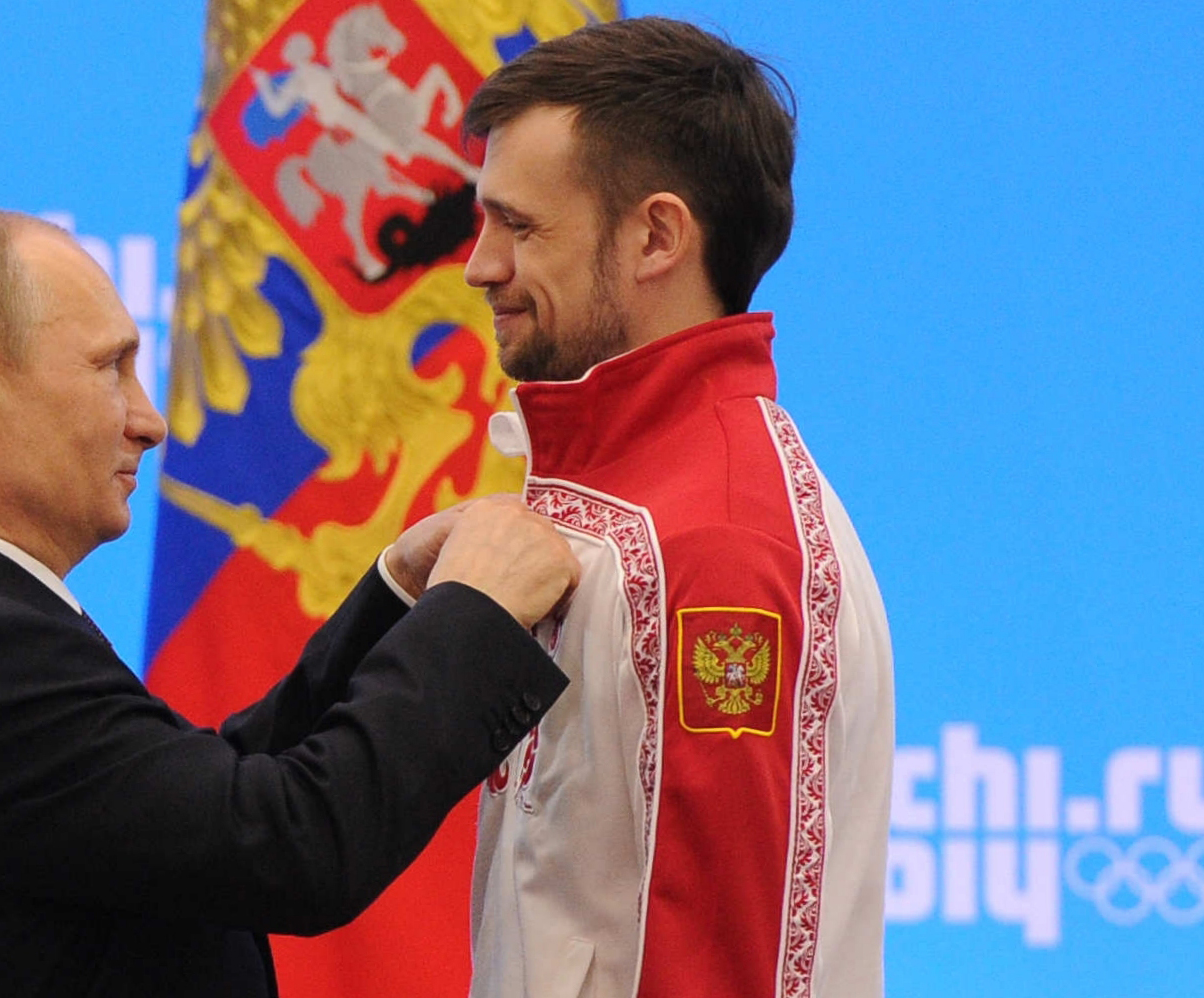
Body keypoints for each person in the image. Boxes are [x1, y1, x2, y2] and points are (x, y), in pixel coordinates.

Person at [0, 206, 580, 998]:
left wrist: (397, 598)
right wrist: (473, 615)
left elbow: (209, 805)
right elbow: (292, 843)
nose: (150, 421)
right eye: (110, 368)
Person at [459, 17, 895, 998]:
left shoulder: (716, 543)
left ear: (656, 236)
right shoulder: (636, 502)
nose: (479, 265)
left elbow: (721, 967)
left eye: (519, 226)